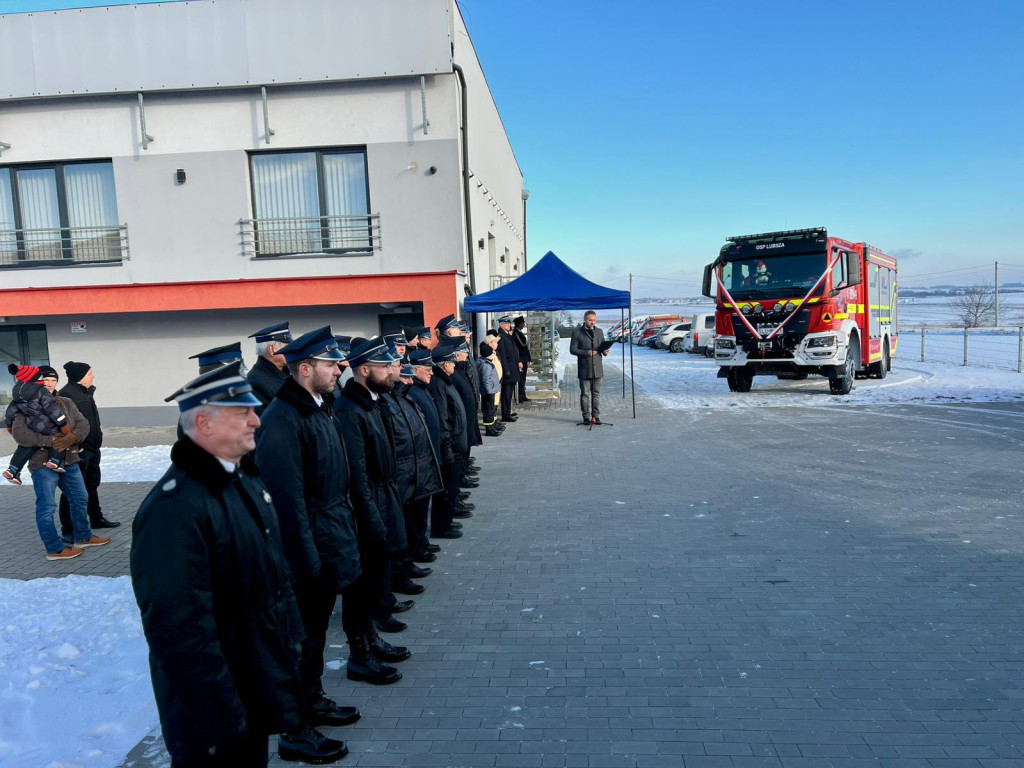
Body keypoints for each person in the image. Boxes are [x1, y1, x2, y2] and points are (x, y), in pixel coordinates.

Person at [130, 362, 345, 767]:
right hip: (215, 715)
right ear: (205, 424)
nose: (256, 420)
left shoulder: (241, 481)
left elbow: (273, 584)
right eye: (242, 413)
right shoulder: (175, 508)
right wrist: (224, 718)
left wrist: (288, 656)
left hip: (250, 688)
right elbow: (180, 633)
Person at [254, 327, 363, 759]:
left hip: (327, 539)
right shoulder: (284, 420)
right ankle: (294, 730)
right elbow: (287, 501)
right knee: (298, 642)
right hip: (307, 551)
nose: (339, 369)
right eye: (330, 364)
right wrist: (307, 561)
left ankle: (312, 702)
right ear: (304, 369)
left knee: (314, 637)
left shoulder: (316, 408)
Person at [333, 336, 411, 670]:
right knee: (361, 585)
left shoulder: (373, 402)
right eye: (384, 366)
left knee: (375, 578)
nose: (392, 371)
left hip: (382, 497)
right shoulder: (349, 410)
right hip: (367, 506)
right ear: (364, 370)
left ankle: (373, 640)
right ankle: (359, 655)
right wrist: (372, 519)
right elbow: (358, 474)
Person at [10, 365, 110, 561]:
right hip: (42, 464)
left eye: (53, 380)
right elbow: (20, 434)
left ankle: (83, 536)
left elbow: (83, 424)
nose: (49, 384)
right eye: (45, 380)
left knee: (80, 498)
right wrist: (52, 441)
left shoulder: (65, 402)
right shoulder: (25, 405)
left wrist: (73, 437)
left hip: (70, 460)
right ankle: (55, 549)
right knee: (47, 506)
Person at [58, 361, 121, 539]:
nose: (93, 376)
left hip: (92, 448)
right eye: (89, 374)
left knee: (91, 484)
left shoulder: (84, 392)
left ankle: (96, 518)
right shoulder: (66, 395)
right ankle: (68, 529)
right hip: (79, 451)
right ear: (80, 377)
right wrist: (74, 446)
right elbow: (64, 425)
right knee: (72, 490)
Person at [404, 349, 444, 561]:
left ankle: (421, 542)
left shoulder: (422, 390)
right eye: (427, 369)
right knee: (416, 509)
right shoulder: (413, 393)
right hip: (420, 461)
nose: (431, 373)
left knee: (422, 507)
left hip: (428, 458)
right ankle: (417, 546)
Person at [4, 364, 72, 484]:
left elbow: (10, 411)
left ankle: (13, 469)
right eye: (40, 377)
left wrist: (9, 425)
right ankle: (55, 460)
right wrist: (63, 424)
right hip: (47, 424)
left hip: (31, 425)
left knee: (27, 445)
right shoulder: (41, 391)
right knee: (61, 437)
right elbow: (53, 410)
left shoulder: (18, 394)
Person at [428, 343, 467, 540]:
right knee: (445, 489)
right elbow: (443, 418)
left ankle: (447, 521)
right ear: (444, 365)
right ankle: (441, 526)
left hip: (456, 442)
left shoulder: (445, 381)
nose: (454, 365)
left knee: (451, 488)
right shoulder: (438, 384)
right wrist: (447, 447)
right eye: (452, 362)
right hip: (450, 444)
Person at [569, 310, 610, 425]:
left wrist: (605, 351)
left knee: (596, 394)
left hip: (598, 369)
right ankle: (586, 417)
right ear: (585, 319)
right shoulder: (577, 332)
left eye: (594, 320)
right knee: (585, 395)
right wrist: (586, 352)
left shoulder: (599, 332)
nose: (592, 322)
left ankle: (596, 416)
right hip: (585, 369)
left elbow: (602, 346)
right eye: (590, 320)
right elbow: (572, 349)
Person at [247, 322, 293, 415]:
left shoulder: (291, 373)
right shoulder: (256, 383)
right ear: (272, 350)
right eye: (288, 347)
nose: (292, 350)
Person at [495, 315, 520, 422]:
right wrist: (506, 370)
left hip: (512, 368)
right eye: (507, 323)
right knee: (506, 393)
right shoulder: (501, 336)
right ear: (501, 324)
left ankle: (508, 412)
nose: (509, 325)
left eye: (509, 323)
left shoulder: (507, 335)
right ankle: (505, 414)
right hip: (508, 369)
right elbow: (503, 355)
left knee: (509, 394)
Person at [475, 341, 501, 437]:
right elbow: (486, 380)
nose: (494, 354)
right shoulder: (486, 365)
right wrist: (489, 392)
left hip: (490, 390)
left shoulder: (486, 363)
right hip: (488, 392)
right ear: (488, 355)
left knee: (490, 409)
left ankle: (492, 426)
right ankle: (489, 429)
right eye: (492, 353)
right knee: (488, 410)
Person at [513, 316, 532, 402]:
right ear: (519, 324)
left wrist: (528, 358)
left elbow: (525, 347)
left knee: (523, 378)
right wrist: (519, 360)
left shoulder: (519, 333)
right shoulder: (515, 333)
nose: (524, 324)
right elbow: (520, 347)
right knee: (520, 378)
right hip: (520, 359)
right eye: (523, 323)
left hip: (524, 359)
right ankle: (519, 396)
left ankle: (522, 395)